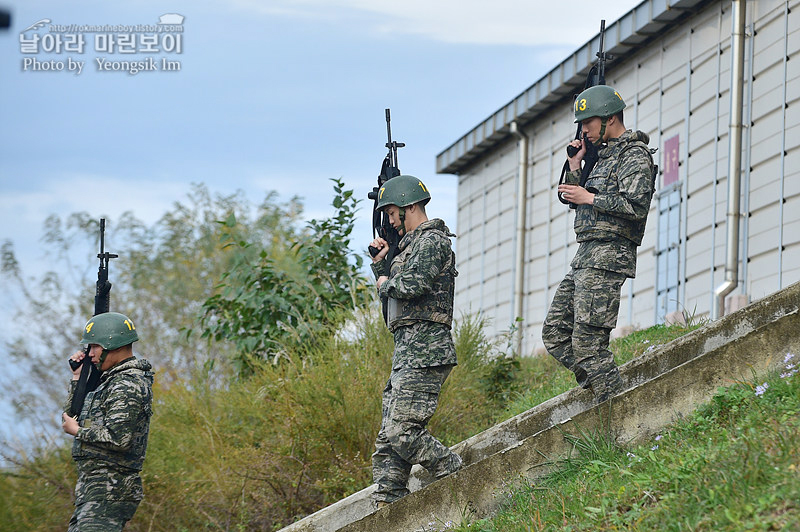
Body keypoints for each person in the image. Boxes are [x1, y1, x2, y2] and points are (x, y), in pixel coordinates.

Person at [542, 85, 656, 403]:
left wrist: (590, 196)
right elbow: (571, 198)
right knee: (554, 333)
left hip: (609, 256)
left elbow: (636, 205)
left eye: (588, 122)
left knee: (589, 343)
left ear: (609, 118)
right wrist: (576, 164)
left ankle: (616, 409)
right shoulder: (600, 157)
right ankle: (601, 387)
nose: (584, 130)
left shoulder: (634, 154)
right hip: (586, 256)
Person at [368, 174, 462, 507]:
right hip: (407, 350)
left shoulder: (433, 241)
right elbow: (391, 309)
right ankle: (388, 508)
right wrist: (381, 265)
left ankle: (459, 476)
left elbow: (414, 284)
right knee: (387, 441)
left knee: (401, 432)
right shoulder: (405, 249)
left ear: (409, 206)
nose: (391, 223)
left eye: (393, 214)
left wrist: (383, 281)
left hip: (427, 349)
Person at [61, 311, 154, 531]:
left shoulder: (127, 384)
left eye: (94, 346)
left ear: (114, 344)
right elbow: (71, 417)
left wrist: (78, 432)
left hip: (110, 490)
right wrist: (78, 378)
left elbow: (119, 438)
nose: (90, 353)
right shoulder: (108, 381)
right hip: (94, 489)